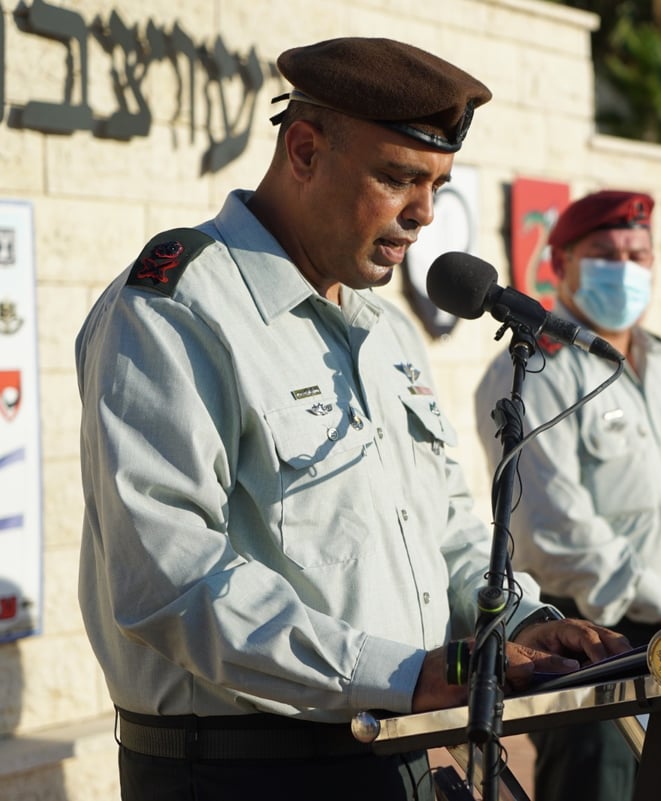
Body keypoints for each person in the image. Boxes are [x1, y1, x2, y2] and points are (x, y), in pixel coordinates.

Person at [74, 37, 627, 801]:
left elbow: (446, 529)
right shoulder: (178, 308)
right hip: (243, 770)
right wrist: (406, 674)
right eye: (398, 177)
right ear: (303, 151)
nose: (425, 214)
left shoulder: (384, 330)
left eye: (437, 184)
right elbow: (170, 580)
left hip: (395, 745)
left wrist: (520, 623)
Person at [474, 189, 661, 801]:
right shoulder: (538, 367)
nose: (624, 265)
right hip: (594, 640)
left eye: (638, 253)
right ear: (560, 262)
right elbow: (553, 525)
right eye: (604, 252)